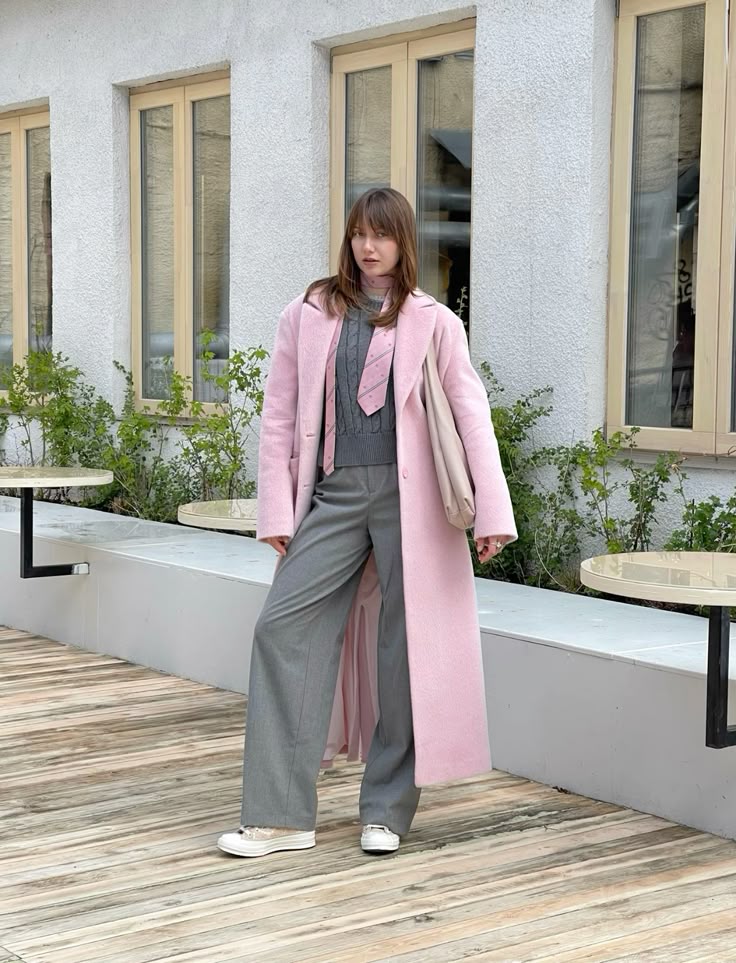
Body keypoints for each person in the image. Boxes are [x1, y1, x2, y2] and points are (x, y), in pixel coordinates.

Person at [217, 187, 517, 859]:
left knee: (406, 650)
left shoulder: (433, 321)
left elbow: (472, 415)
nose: (368, 246)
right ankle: (279, 815)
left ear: (402, 242)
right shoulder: (309, 312)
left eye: (381, 235)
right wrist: (275, 508)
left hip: (414, 503)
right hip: (336, 493)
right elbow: (279, 416)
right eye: (359, 233)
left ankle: (386, 807)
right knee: (282, 626)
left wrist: (492, 513)